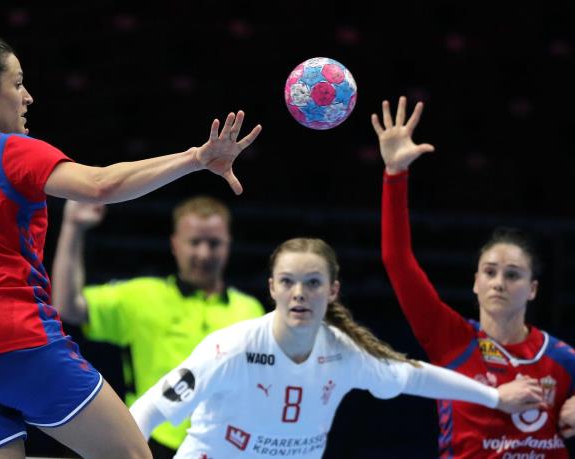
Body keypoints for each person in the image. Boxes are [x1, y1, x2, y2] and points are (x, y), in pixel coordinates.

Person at [0, 35, 261, 459]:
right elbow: (99, 185)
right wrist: (195, 159)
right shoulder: (7, 151)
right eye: (17, 83)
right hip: (14, 341)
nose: (28, 97)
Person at [129, 237, 545, 459]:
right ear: (272, 288)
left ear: (332, 291)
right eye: (288, 282)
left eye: (313, 283)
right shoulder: (231, 349)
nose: (299, 293)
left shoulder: (343, 352)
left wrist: (495, 397)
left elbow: (413, 375)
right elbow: (148, 409)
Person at [374, 96, 575, 458]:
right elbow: (397, 261)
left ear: (532, 289)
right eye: (490, 272)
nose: (499, 282)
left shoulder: (562, 358)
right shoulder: (451, 338)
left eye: (512, 275)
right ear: (475, 283)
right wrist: (395, 174)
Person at [51, 195, 265, 457]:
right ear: (175, 244)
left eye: (214, 243)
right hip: (152, 442)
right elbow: (68, 306)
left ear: (228, 244)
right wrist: (73, 226)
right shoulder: (142, 297)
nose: (204, 253)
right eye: (195, 242)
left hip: (226, 446)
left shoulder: (251, 310)